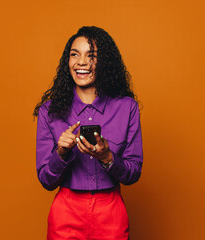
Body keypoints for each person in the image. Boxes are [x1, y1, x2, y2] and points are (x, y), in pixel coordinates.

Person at [33, 26, 143, 240]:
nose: (81, 62)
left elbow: (133, 173)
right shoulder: (50, 111)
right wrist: (61, 154)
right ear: (68, 61)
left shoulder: (127, 108)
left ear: (105, 63)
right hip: (66, 211)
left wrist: (107, 157)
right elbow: (46, 180)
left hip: (111, 211)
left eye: (91, 56)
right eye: (75, 55)